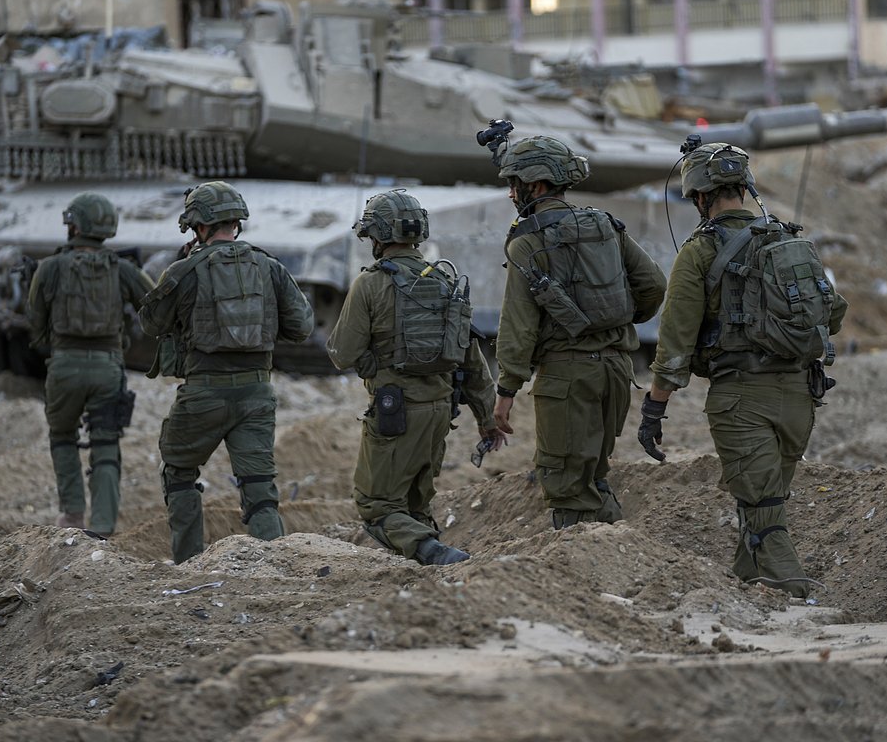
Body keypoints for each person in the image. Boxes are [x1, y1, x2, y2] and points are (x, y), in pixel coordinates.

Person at [639, 142, 848, 598]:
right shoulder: (788, 241)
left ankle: (797, 597)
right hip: (799, 400)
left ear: (699, 197)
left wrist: (654, 409)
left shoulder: (698, 253)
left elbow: (674, 345)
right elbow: (833, 313)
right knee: (762, 504)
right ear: (744, 187)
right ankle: (747, 581)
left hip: (740, 402)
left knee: (764, 511)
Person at [492, 136, 667, 530]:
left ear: (535, 186)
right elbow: (654, 284)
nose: (511, 193)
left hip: (567, 379)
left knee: (569, 487)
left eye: (515, 183)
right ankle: (615, 555)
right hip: (618, 371)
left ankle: (587, 578)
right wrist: (620, 320)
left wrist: (506, 392)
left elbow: (518, 325)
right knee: (595, 476)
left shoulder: (527, 242)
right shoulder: (605, 225)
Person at [326, 189, 506, 565]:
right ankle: (428, 575)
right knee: (415, 503)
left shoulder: (371, 284)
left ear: (377, 236)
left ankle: (437, 555)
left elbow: (342, 353)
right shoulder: (444, 280)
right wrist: (488, 419)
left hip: (395, 413)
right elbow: (471, 360)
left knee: (377, 506)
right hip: (441, 411)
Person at [139, 181, 313, 565]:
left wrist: (179, 271)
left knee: (180, 473)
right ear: (237, 222)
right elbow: (302, 327)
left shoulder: (186, 269)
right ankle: (274, 563)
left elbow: (151, 324)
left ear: (198, 226)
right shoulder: (269, 267)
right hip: (257, 393)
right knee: (258, 486)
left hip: (202, 394)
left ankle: (188, 562)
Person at [27, 192, 154, 536]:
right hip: (108, 367)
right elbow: (156, 305)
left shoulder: (49, 268)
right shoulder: (123, 269)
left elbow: (35, 326)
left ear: (74, 226)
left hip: (64, 366)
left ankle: (71, 517)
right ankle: (102, 525)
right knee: (106, 442)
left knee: (62, 435)